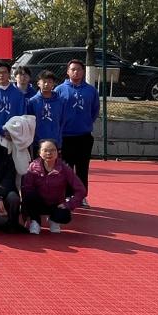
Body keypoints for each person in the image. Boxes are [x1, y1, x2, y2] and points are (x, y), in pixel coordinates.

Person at [55, 59, 99, 207]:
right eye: (73, 69)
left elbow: (94, 111)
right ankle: (68, 195)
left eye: (79, 69)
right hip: (66, 136)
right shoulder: (60, 90)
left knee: (82, 168)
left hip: (84, 137)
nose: (76, 72)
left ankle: (81, 196)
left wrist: (85, 124)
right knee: (67, 168)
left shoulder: (91, 90)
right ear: (68, 72)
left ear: (83, 72)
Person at [22, 139, 87, 234]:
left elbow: (81, 190)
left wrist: (69, 204)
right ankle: (35, 221)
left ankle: (54, 219)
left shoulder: (64, 168)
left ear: (57, 152)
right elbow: (27, 188)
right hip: (38, 203)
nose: (49, 153)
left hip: (56, 204)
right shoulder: (32, 167)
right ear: (39, 152)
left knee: (64, 216)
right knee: (29, 196)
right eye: (45, 150)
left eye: (52, 150)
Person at [28, 70, 69, 153]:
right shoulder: (32, 102)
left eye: (50, 82)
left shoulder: (61, 101)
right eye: (44, 82)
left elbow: (63, 121)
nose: (46, 84)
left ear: (53, 84)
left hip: (56, 141)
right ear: (38, 83)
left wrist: (59, 139)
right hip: (37, 142)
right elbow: (30, 123)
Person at [0, 62, 28, 137]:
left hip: (15, 135)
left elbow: (22, 115)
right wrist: (1, 131)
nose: (1, 75)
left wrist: (14, 131)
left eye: (4, 72)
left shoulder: (18, 93)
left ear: (9, 74)